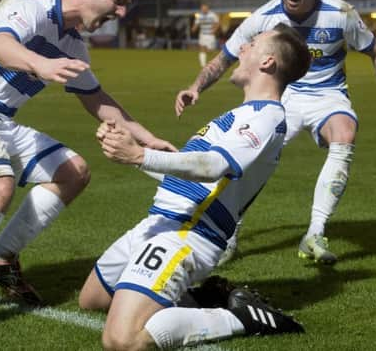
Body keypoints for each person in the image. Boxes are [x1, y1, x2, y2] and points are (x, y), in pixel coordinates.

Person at [0, 0, 175, 346]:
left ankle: (1, 259)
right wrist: (40, 64)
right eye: (119, 1)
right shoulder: (31, 5)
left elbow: (96, 99)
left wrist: (146, 136)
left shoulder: (74, 45)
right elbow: (0, 45)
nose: (122, 13)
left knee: (73, 171)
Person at [175, 0, 376, 266]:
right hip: (281, 96)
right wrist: (196, 86)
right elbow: (225, 57)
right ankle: (228, 233)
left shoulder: (341, 13)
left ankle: (314, 233)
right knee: (247, 156)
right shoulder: (264, 18)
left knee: (344, 134)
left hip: (328, 95)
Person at [79, 23, 310, 350]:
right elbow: (192, 177)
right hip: (160, 222)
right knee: (92, 299)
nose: (241, 48)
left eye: (252, 44)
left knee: (122, 340)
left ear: (268, 62)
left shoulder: (267, 116)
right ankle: (200, 298)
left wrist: (139, 155)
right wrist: (132, 150)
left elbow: (214, 166)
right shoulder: (245, 113)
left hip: (188, 232)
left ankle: (243, 317)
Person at [191, 3, 219, 67]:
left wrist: (214, 30)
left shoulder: (212, 15)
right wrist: (194, 28)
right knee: (202, 48)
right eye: (202, 8)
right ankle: (203, 66)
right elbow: (196, 24)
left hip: (210, 35)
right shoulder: (199, 16)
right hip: (202, 34)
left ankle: (216, 62)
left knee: (210, 51)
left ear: (207, 8)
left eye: (205, 8)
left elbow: (217, 23)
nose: (203, 10)